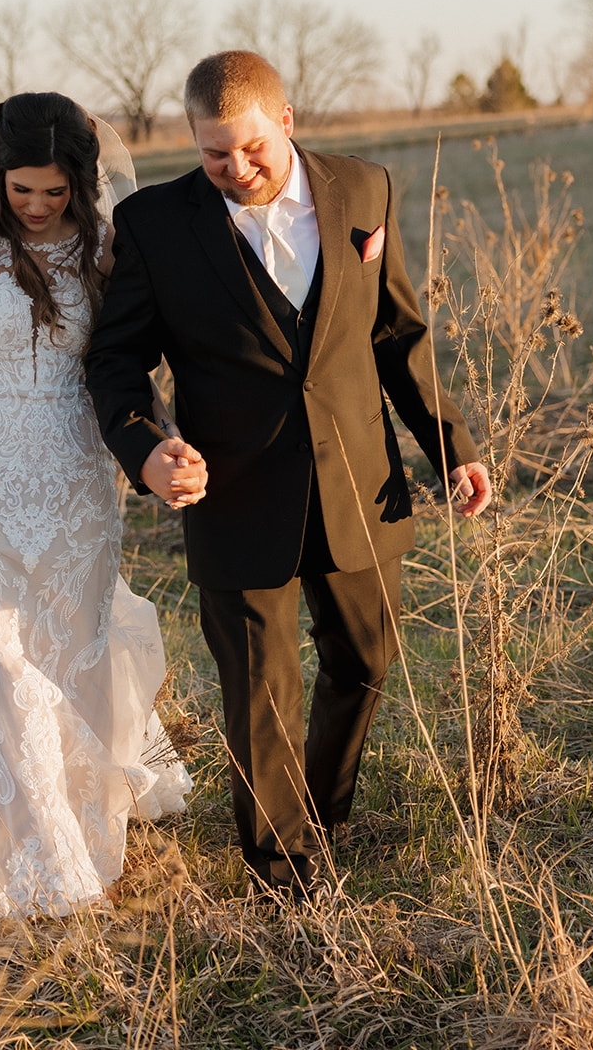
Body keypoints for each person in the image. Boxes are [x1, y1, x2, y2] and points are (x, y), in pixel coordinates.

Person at [85, 50, 491, 899]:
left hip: (359, 482)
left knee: (367, 659)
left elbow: (396, 336)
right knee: (260, 693)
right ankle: (284, 873)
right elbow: (116, 363)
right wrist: (146, 449)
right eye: (212, 154)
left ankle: (321, 805)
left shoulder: (365, 191)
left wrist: (449, 447)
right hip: (231, 494)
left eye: (250, 148)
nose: (235, 169)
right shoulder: (156, 227)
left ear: (287, 121)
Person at [0, 92, 192, 918]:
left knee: (69, 653)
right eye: (21, 190)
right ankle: (42, 855)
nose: (36, 205)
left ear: (82, 181)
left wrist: (163, 444)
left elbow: (130, 364)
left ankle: (78, 818)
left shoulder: (105, 246)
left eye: (54, 191)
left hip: (73, 475)